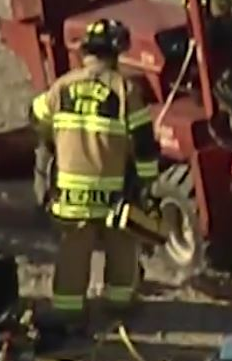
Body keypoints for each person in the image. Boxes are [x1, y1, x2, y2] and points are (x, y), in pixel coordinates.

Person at [30, 19, 160, 337]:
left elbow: (35, 118)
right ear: (116, 54)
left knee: (73, 253)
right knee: (122, 246)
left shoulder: (61, 87)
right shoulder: (125, 90)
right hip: (113, 193)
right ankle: (119, 304)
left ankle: (69, 312)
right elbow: (144, 146)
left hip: (69, 194)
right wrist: (145, 185)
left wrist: (53, 150)